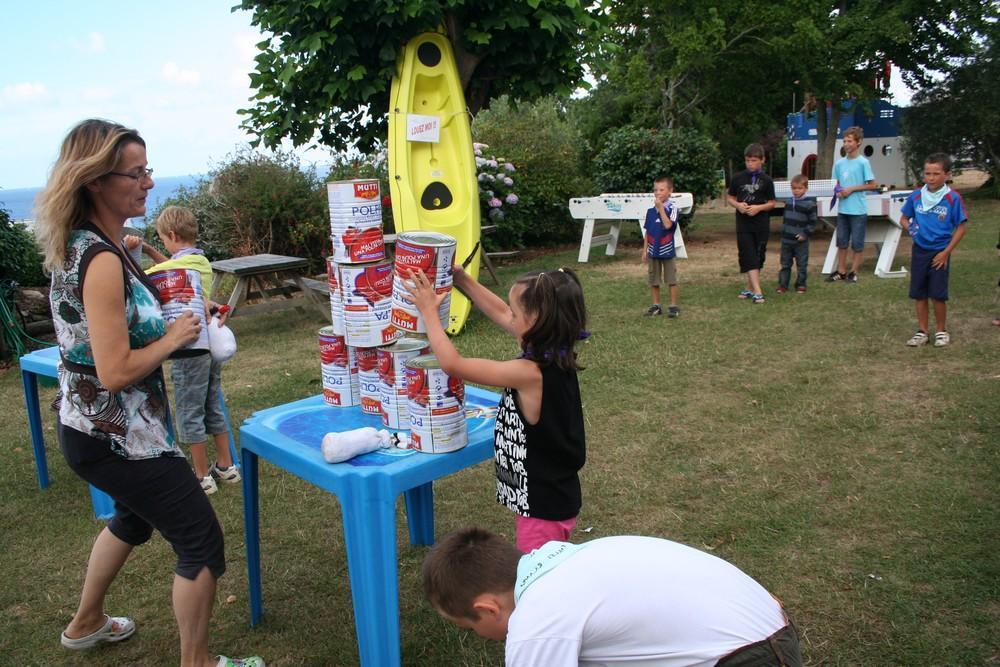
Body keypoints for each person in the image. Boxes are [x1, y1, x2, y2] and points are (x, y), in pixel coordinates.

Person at [34, 119, 263, 667]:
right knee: (200, 541)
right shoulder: (102, 258)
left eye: (148, 170)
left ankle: (86, 623)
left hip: (90, 426)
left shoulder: (93, 243)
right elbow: (114, 369)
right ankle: (198, 662)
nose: (148, 184)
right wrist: (178, 337)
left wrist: (183, 312)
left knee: (134, 519)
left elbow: (112, 327)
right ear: (95, 179)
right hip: (117, 433)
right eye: (135, 174)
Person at [423, 526, 802, 667]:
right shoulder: (563, 560)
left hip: (752, 656)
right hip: (766, 628)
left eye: (469, 628)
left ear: (486, 608)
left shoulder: (536, 620)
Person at [406, 266, 587, 553]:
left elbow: (453, 365)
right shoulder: (556, 351)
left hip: (543, 506)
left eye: (516, 314)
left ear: (535, 320)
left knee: (535, 579)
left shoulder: (529, 373)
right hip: (555, 494)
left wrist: (429, 313)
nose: (509, 317)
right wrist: (462, 279)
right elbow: (502, 312)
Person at [125, 206, 240, 494]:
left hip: (188, 346)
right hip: (208, 348)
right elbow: (171, 265)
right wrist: (153, 250)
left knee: (189, 411)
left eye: (163, 239)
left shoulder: (176, 269)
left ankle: (201, 475)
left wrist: (131, 253)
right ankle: (226, 466)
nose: (162, 244)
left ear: (172, 234)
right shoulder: (199, 261)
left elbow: (139, 278)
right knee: (212, 404)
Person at [899, 153, 968, 347]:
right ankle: (922, 331)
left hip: (940, 252)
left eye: (936, 173)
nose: (931, 177)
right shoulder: (916, 195)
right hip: (920, 250)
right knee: (919, 293)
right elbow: (904, 218)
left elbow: (961, 227)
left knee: (937, 294)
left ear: (946, 174)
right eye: (927, 173)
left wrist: (946, 252)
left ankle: (941, 330)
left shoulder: (952, 198)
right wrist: (911, 228)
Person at [826, 126, 879, 284]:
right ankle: (841, 271)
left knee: (857, 243)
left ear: (859, 142)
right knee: (842, 241)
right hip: (843, 209)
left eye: (850, 141)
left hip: (858, 210)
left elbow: (872, 184)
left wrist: (852, 189)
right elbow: (835, 183)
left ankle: (854, 271)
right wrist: (839, 191)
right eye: (845, 141)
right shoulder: (839, 164)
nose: (846, 144)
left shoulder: (863, 163)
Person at [726, 143, 776, 304]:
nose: (750, 164)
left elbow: (772, 203)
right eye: (748, 160)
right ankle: (758, 292)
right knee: (748, 254)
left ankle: (750, 287)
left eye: (754, 160)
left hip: (761, 223)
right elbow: (730, 198)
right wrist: (738, 206)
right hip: (743, 224)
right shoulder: (738, 178)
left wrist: (758, 208)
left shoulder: (767, 181)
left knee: (758, 255)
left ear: (762, 160)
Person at [641, 175, 681, 317]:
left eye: (661, 190)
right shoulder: (650, 212)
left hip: (667, 250)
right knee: (654, 279)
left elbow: (668, 225)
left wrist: (661, 209)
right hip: (653, 250)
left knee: (671, 279)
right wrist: (645, 249)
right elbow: (647, 231)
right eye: (655, 190)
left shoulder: (673, 209)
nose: (658, 193)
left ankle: (673, 306)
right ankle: (656, 305)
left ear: (670, 191)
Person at [776, 174, 818, 294]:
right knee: (785, 264)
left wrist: (804, 234)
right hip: (786, 240)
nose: (796, 191)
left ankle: (801, 284)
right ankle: (783, 285)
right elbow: (786, 219)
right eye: (794, 188)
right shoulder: (788, 202)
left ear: (805, 189)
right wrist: (783, 233)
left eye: (799, 188)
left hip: (801, 241)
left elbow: (813, 222)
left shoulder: (810, 204)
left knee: (802, 265)